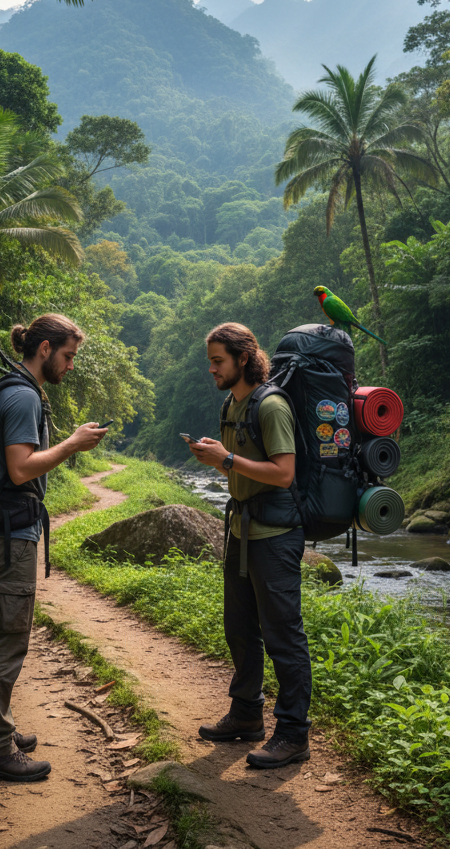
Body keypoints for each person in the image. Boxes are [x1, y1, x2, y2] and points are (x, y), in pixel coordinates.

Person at [0, 313, 109, 782]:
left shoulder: (9, 388)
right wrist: (72, 444)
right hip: (8, 536)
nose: (70, 365)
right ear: (45, 349)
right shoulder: (22, 395)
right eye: (68, 356)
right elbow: (21, 469)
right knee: (6, 639)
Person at [188, 322, 312, 768]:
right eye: (211, 360)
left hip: (276, 536)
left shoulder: (272, 405)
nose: (212, 368)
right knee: (239, 628)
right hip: (240, 531)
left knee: (283, 635)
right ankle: (246, 715)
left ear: (243, 358)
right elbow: (239, 471)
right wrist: (217, 459)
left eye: (218, 360)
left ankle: (294, 734)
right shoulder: (231, 404)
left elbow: (282, 474)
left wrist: (226, 458)